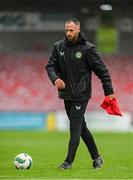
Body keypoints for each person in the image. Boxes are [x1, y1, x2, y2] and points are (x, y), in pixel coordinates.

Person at [46, 18, 115, 170]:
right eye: (66, 30)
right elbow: (50, 66)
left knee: (75, 126)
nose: (68, 33)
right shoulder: (58, 47)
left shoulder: (88, 49)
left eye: (71, 30)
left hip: (81, 95)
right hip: (66, 94)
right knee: (81, 127)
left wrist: (108, 91)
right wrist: (55, 78)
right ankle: (97, 158)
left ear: (78, 30)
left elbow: (102, 71)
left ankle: (68, 162)